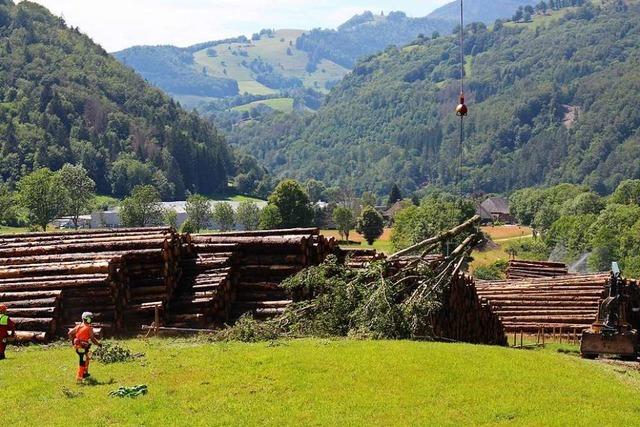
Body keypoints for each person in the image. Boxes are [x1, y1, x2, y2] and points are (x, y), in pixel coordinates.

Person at [68, 311, 101, 383]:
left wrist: (73, 342)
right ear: (87, 319)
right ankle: (79, 378)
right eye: (90, 318)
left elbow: (70, 333)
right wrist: (98, 344)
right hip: (82, 347)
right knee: (82, 361)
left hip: (78, 347)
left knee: (87, 358)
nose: (91, 320)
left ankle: (85, 373)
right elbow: (92, 339)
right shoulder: (89, 328)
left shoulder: (78, 326)